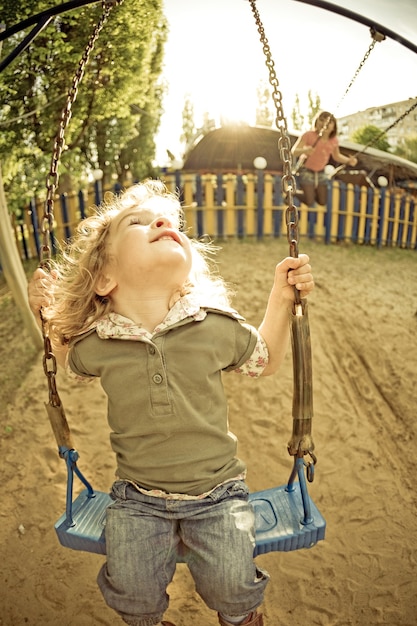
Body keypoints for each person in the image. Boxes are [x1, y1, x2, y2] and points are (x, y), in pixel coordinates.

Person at [28, 179, 314, 626]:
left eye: (169, 221)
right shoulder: (100, 342)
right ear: (105, 278)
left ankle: (240, 618)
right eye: (138, 223)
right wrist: (44, 313)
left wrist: (282, 294)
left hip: (218, 492)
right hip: (137, 496)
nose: (162, 222)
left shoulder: (213, 325)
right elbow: (61, 356)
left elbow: (267, 359)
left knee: (232, 585)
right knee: (131, 591)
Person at [291, 111, 358, 207]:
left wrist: (348, 161)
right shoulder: (308, 135)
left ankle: (311, 192)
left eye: (329, 121)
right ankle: (292, 193)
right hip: (306, 170)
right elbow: (293, 151)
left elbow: (336, 156)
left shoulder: (334, 140)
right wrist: (305, 151)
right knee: (310, 202)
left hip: (321, 172)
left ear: (334, 126)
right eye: (321, 120)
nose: (324, 123)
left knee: (322, 201)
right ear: (316, 122)